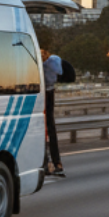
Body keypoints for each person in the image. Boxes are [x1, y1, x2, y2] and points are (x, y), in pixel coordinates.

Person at [41, 48, 65, 178]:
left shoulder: (43, 66)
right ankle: (57, 163)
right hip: (51, 93)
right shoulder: (54, 62)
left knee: (43, 130)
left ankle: (47, 163)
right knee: (51, 129)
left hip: (43, 96)